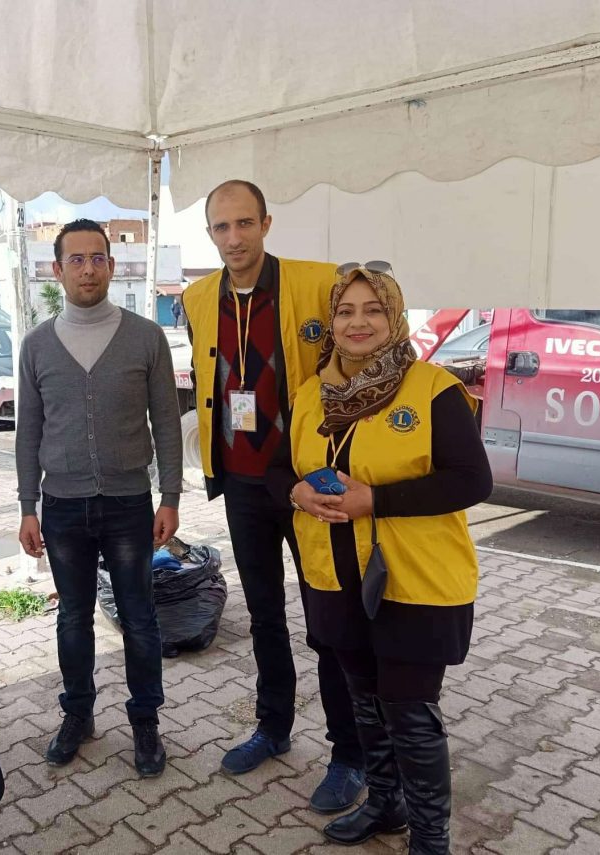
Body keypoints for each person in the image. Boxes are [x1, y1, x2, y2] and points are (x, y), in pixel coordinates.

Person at [271, 263, 491, 853]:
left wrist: (377, 501)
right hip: (335, 577)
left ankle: (430, 839)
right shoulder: (312, 393)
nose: (358, 322)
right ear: (332, 322)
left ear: (394, 317)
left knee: (409, 713)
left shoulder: (432, 388)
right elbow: (277, 469)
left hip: (414, 581)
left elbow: (472, 480)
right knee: (365, 703)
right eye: (345, 311)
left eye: (373, 309)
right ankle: (385, 804)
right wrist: (296, 492)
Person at [181, 179, 364, 812]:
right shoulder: (197, 296)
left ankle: (349, 752)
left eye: (244, 223)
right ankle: (273, 726)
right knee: (264, 615)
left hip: (307, 484)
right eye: (221, 227)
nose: (233, 238)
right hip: (242, 483)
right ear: (210, 234)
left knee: (328, 619)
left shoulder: (318, 283)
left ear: (265, 223)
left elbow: (362, 356)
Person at [17, 218, 182, 778]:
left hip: (129, 502)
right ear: (57, 269)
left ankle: (146, 721)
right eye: (76, 259)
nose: (87, 269)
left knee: (139, 618)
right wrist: (26, 507)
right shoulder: (37, 345)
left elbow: (166, 422)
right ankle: (78, 714)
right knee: (73, 618)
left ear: (111, 266)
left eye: (97, 259)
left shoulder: (146, 337)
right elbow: (28, 432)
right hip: (61, 507)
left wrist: (170, 496)